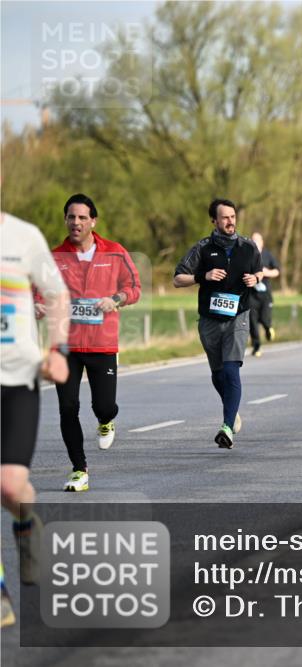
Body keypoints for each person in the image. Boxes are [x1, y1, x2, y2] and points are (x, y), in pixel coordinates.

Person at [1, 211, 70, 627]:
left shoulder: (24, 237)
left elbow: (57, 296)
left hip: (17, 377)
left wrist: (57, 352)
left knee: (9, 486)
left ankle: (26, 524)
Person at [48, 194, 142, 492]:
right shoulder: (53, 257)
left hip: (102, 344)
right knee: (67, 407)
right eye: (71, 217)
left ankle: (106, 420)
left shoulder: (114, 253)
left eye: (81, 218)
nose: (75, 223)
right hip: (65, 345)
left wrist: (116, 299)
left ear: (93, 221)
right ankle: (79, 469)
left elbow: (134, 287)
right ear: (65, 220)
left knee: (104, 405)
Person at [173, 199, 263, 449]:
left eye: (233, 216)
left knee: (231, 369)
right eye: (224, 217)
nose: (230, 221)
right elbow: (177, 279)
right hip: (210, 320)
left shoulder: (248, 246)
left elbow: (260, 271)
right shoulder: (202, 248)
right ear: (214, 221)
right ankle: (232, 412)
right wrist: (204, 276)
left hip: (238, 317)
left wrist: (254, 278)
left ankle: (226, 427)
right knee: (218, 373)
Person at [247, 232, 281, 357]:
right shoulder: (247, 255)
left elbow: (277, 271)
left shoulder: (267, 255)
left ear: (262, 242)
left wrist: (267, 272)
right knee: (252, 322)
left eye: (257, 240)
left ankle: (268, 328)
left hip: (265, 295)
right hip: (251, 295)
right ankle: (257, 347)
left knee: (265, 319)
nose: (255, 242)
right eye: (253, 240)